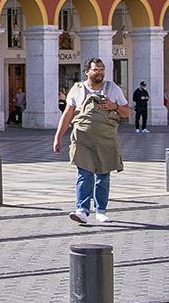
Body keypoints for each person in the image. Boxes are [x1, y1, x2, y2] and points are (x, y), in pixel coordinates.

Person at [53, 58, 130, 224]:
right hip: (83, 139)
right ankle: (81, 210)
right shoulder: (77, 89)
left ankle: (101, 210)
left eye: (102, 69)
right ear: (87, 72)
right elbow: (67, 115)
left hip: (106, 139)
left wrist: (114, 106)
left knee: (103, 175)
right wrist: (58, 137)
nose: (99, 72)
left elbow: (127, 112)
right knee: (85, 174)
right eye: (95, 69)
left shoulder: (113, 89)